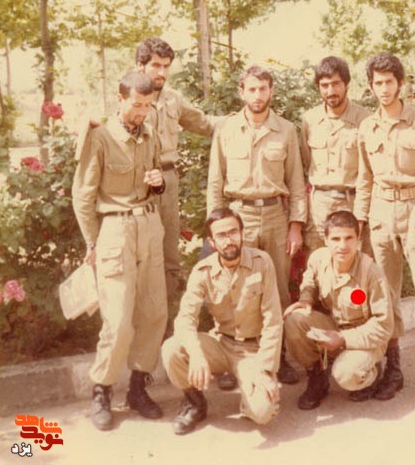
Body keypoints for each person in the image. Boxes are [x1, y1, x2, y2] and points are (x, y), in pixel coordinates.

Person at [354, 52, 415, 408]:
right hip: (381, 214)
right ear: (371, 86)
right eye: (377, 83)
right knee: (385, 296)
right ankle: (393, 369)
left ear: (400, 84)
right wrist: (359, 225)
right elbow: (364, 179)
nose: (383, 89)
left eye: (389, 82)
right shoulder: (367, 127)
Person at [72, 71, 167, 430]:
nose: (142, 111)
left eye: (147, 105)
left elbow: (152, 178)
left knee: (154, 311)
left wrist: (157, 183)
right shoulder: (100, 137)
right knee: (118, 317)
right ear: (121, 99)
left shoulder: (150, 133)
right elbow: (83, 195)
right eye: (136, 104)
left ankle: (138, 388)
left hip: (149, 226)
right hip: (115, 230)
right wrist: (92, 242)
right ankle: (102, 389)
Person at [206, 64, 307, 384]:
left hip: (276, 216)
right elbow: (214, 182)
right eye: (252, 89)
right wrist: (216, 227)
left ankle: (279, 356)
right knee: (237, 287)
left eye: (263, 89)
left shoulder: (286, 130)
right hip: (239, 216)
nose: (258, 95)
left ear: (271, 91)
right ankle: (233, 358)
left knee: (277, 288)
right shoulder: (226, 130)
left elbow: (296, 181)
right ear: (242, 92)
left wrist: (296, 225)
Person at [162, 208, 282, 435]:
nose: (229, 240)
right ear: (212, 242)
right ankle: (194, 402)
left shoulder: (262, 262)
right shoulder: (202, 271)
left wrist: (265, 370)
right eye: (221, 235)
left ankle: (250, 395)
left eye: (233, 232)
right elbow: (185, 318)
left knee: (263, 411)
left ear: (242, 233)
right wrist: (196, 354)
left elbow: (273, 320)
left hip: (252, 350)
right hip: (221, 343)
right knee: (172, 349)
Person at [135, 38, 216, 319]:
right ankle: (138, 324)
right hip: (136, 183)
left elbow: (204, 123)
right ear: (140, 65)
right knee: (139, 255)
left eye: (166, 66)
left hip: (167, 182)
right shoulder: (127, 97)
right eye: (155, 66)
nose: (162, 72)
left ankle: (164, 322)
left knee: (169, 255)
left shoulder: (173, 99)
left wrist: (243, 120)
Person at [284, 210, 392, 409]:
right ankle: (317, 375)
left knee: (346, 374)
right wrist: (306, 299)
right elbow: (310, 281)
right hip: (334, 327)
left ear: (358, 239)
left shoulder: (371, 272)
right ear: (325, 240)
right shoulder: (318, 259)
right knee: (295, 319)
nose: (342, 246)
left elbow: (384, 326)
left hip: (364, 338)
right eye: (335, 239)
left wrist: (343, 339)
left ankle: (371, 373)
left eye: (349, 238)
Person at [300, 56, 371, 256]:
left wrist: (361, 214)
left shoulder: (365, 119)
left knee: (355, 262)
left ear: (346, 84)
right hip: (319, 207)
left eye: (336, 84)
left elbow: (369, 170)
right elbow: (307, 160)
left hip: (352, 203)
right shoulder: (310, 119)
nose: (330, 91)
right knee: (319, 261)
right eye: (324, 85)